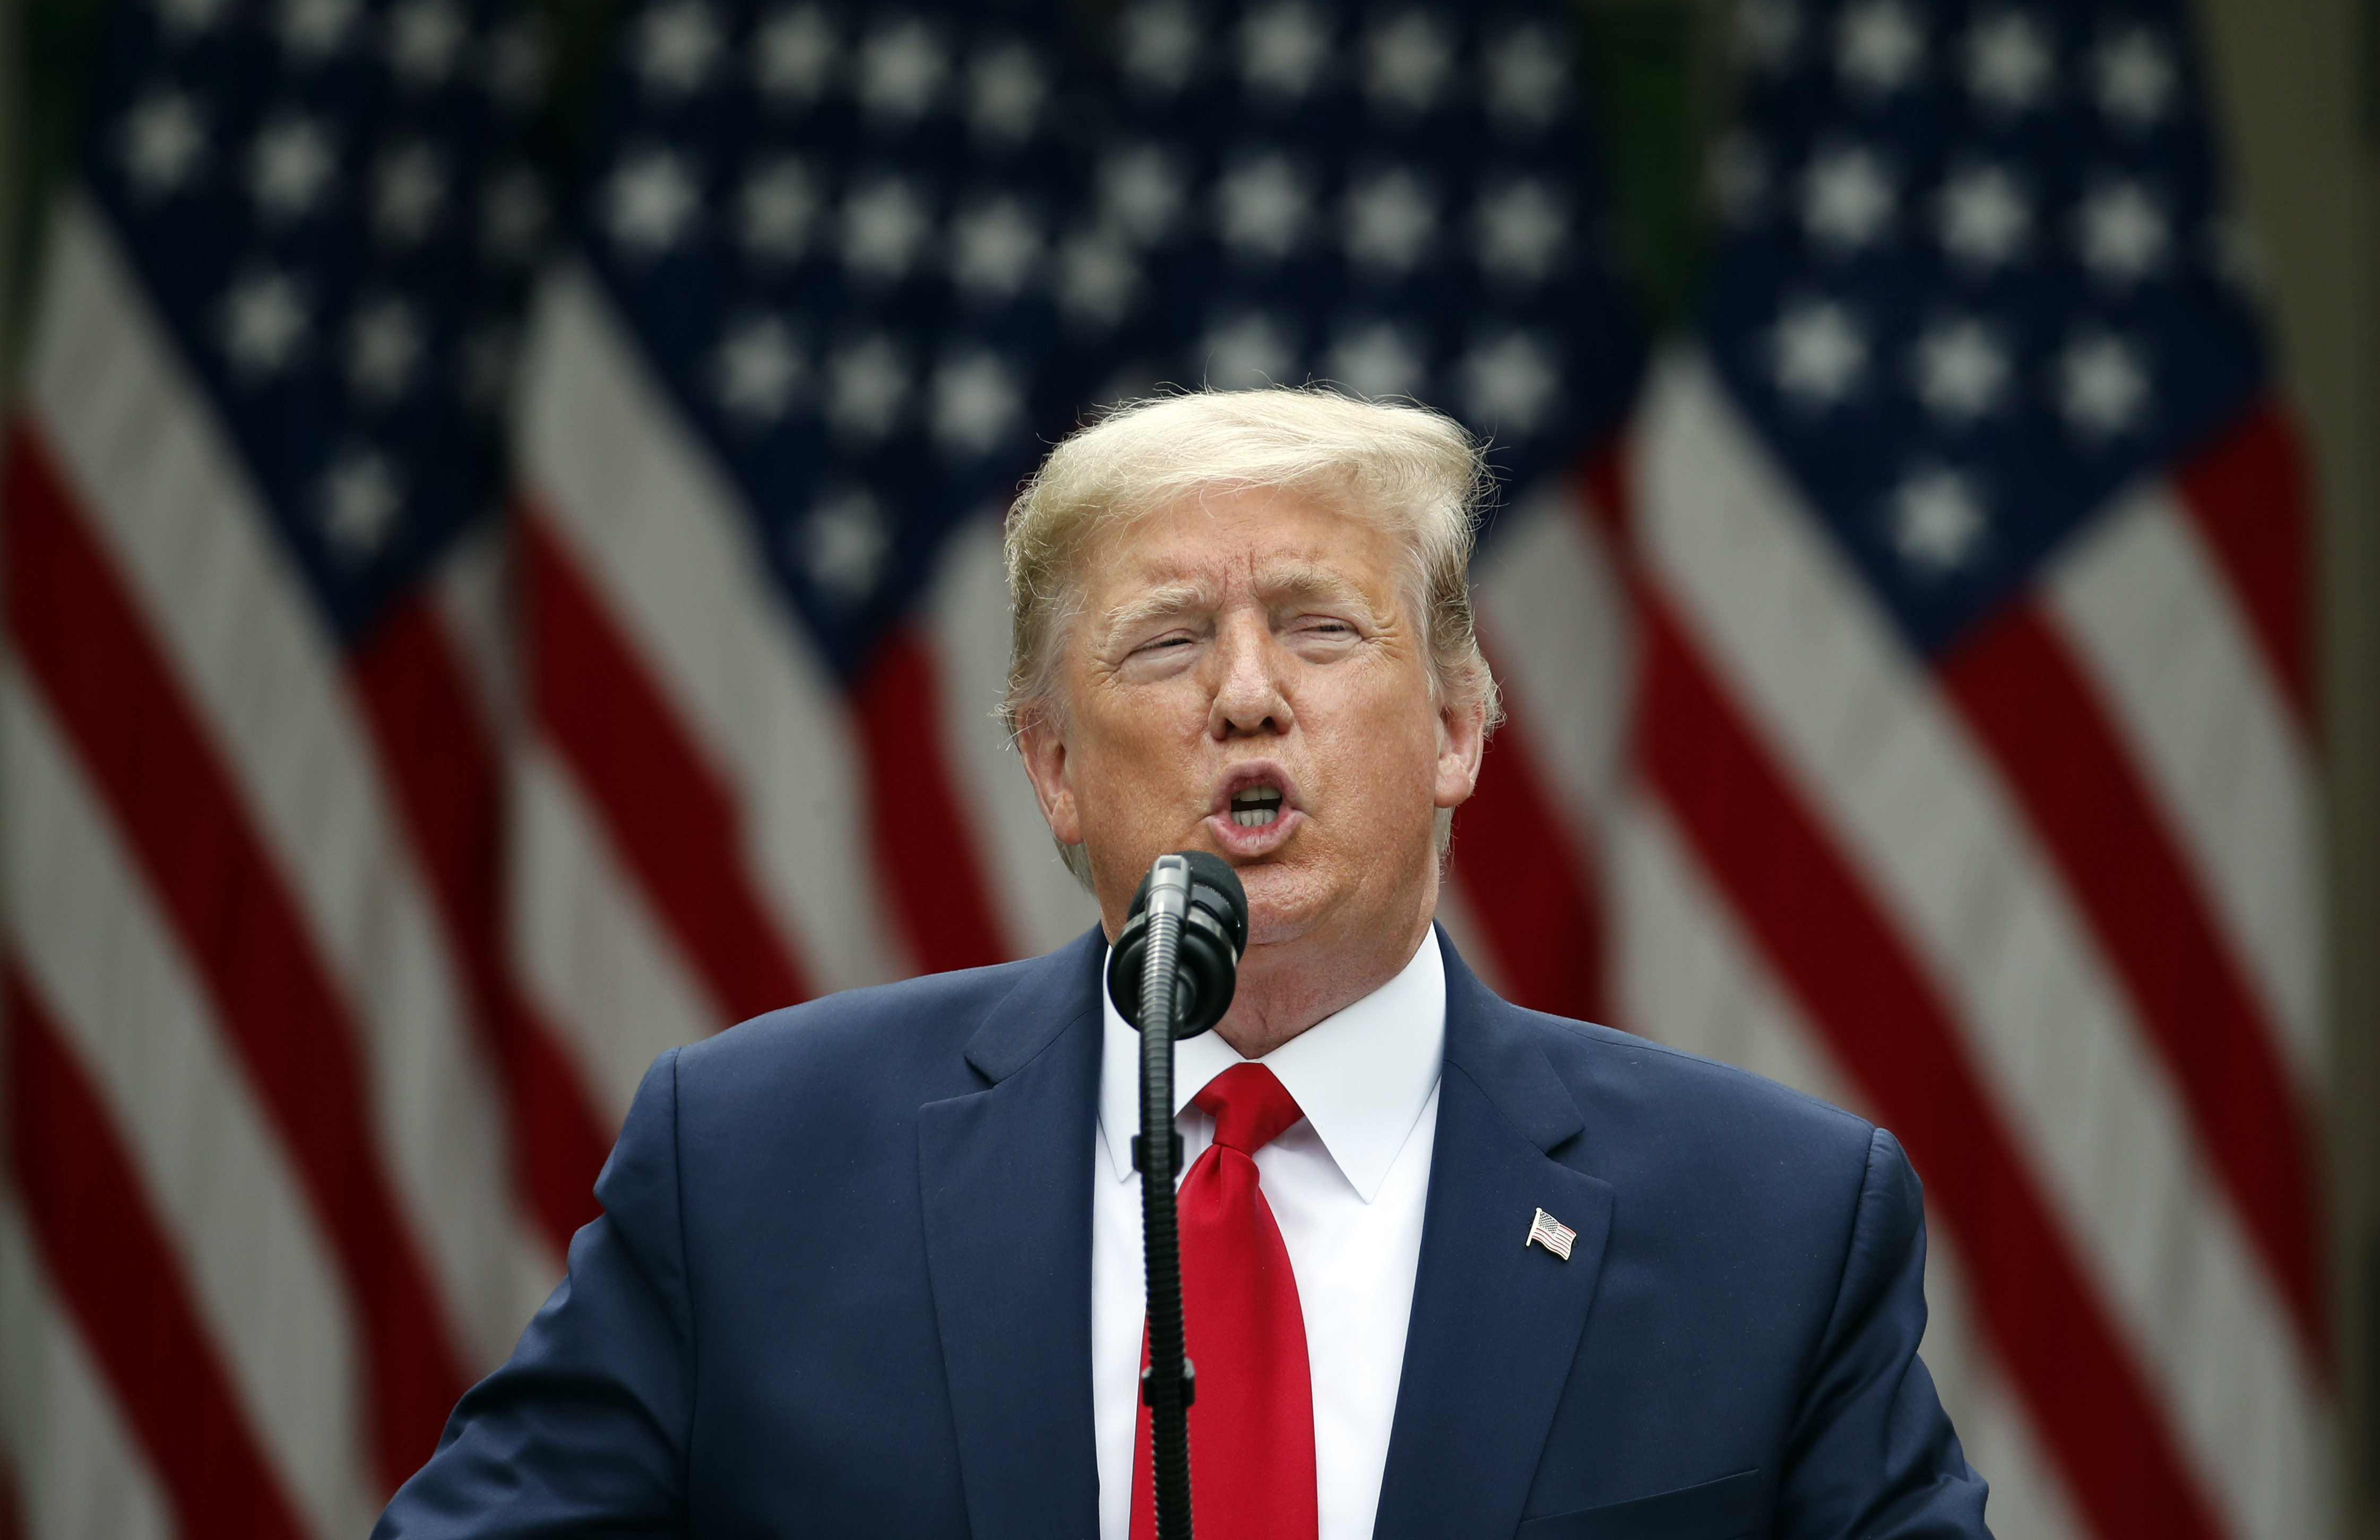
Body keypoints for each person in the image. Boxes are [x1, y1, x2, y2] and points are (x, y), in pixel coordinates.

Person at [376, 388, 1991, 1540]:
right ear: (1051, 768)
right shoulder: (752, 1165)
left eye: (1320, 628)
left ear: (1453, 727)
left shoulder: (1770, 1223)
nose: (1244, 698)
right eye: (1163, 642)